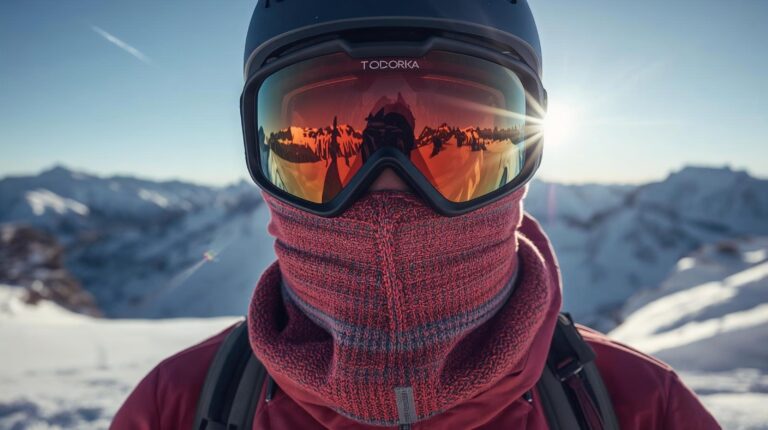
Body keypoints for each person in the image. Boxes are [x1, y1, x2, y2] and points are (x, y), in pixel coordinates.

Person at [112, 1, 721, 429]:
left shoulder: (643, 408)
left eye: (455, 142)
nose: (386, 191)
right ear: (259, 150)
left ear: (529, 144)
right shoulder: (174, 407)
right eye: (336, 141)